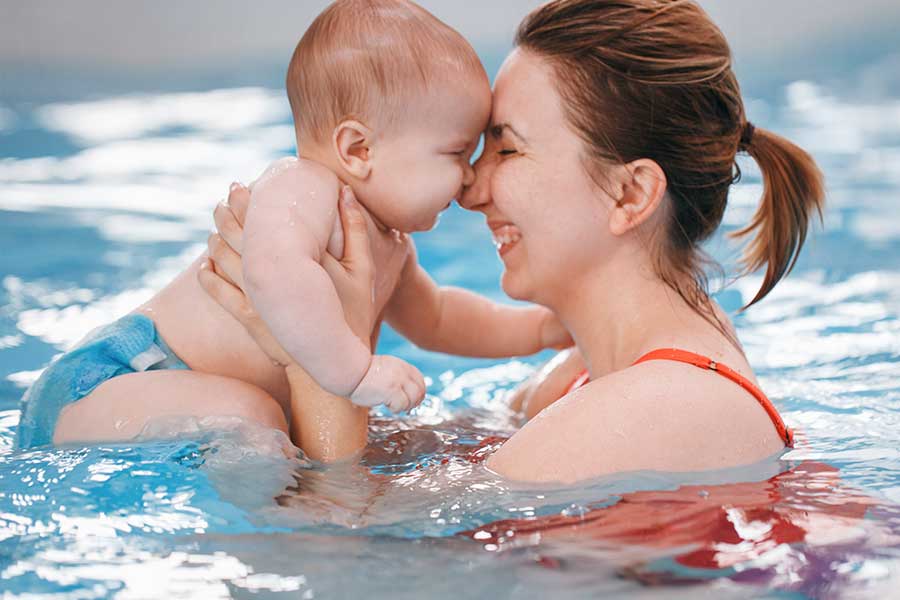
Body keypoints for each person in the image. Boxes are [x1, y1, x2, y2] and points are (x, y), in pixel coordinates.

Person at [201, 0, 825, 481]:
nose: (471, 191)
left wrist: (308, 361)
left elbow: (346, 567)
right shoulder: (596, 374)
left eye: (508, 147)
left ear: (630, 195)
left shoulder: (658, 407)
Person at [14, 0, 569, 450]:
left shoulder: (389, 244)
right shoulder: (302, 187)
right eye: (456, 154)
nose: (472, 181)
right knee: (253, 417)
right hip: (112, 382)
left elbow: (441, 317)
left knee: (280, 428)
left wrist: (541, 329)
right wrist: (353, 373)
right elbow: (274, 272)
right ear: (358, 149)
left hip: (168, 394)